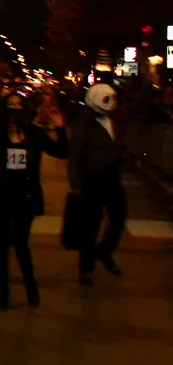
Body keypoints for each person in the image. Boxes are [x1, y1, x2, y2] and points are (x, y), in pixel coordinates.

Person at [0, 93, 67, 309]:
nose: (13, 117)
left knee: (21, 244)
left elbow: (61, 152)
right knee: (1, 247)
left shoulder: (35, 135)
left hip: (25, 198)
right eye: (9, 112)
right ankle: (4, 293)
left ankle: (31, 285)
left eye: (17, 112)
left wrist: (60, 129)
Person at [68, 83, 126, 285]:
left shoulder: (114, 118)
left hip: (112, 178)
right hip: (91, 180)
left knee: (119, 217)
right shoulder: (83, 123)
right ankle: (86, 268)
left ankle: (104, 251)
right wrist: (76, 183)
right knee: (90, 226)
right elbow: (74, 155)